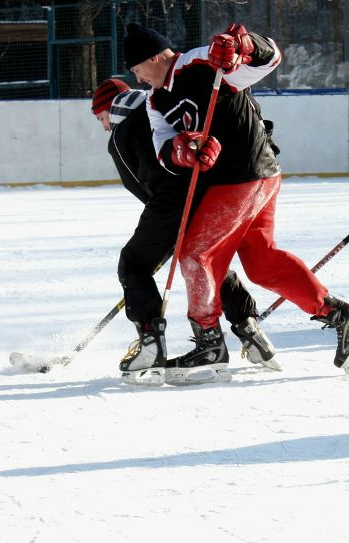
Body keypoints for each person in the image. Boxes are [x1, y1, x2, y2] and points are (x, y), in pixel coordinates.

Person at [122, 22, 349, 383]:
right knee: (261, 262)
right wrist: (183, 151)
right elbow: (163, 147)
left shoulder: (200, 62)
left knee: (196, 255)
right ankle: (342, 316)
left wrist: (246, 45)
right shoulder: (155, 101)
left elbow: (269, 59)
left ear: (153, 57)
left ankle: (209, 343)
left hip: (243, 174)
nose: (137, 79)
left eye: (137, 70)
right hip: (249, 179)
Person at [90, 77, 279, 385]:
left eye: (101, 118)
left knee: (133, 263)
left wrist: (165, 232)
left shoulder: (121, 133)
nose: (103, 127)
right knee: (208, 262)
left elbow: (143, 186)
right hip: (209, 194)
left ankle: (150, 344)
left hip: (170, 204)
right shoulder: (163, 108)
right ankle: (250, 331)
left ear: (109, 110)